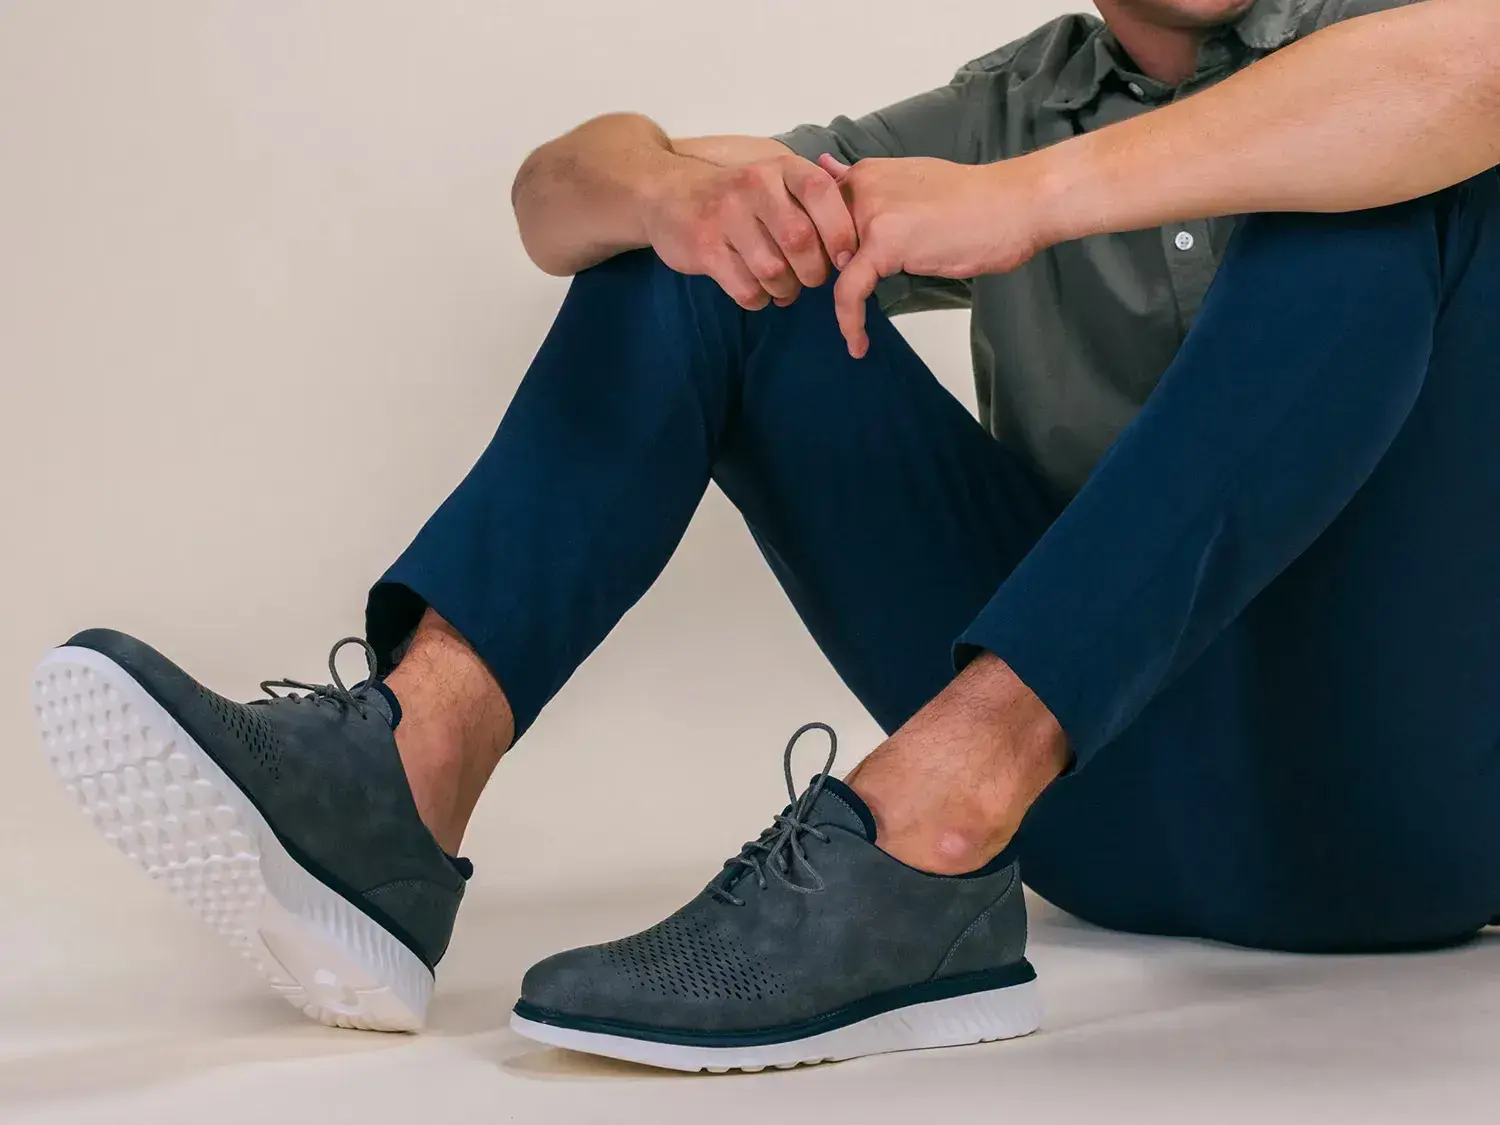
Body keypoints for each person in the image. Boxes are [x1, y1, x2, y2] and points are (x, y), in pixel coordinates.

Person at [30, 0, 1500, 1072]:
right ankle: (398, 790)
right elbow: (558, 198)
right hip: (1102, 815)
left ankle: (932, 809)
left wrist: (1029, 205)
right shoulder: (1014, 104)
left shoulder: (1411, 43)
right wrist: (677, 191)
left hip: (1413, 803)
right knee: (714, 251)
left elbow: (1472, 65)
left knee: (1370, 190)